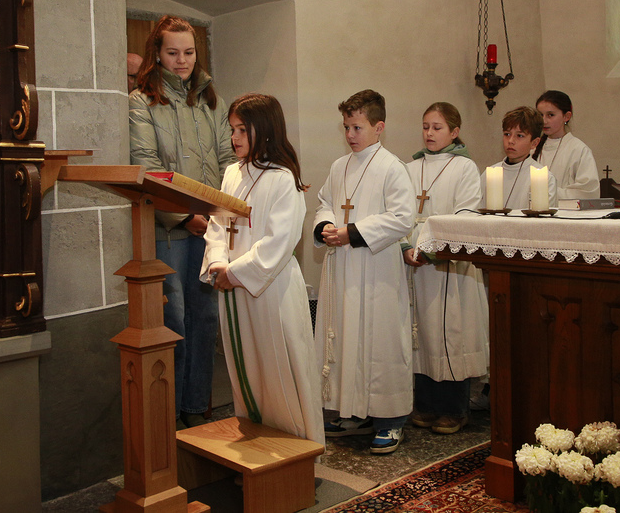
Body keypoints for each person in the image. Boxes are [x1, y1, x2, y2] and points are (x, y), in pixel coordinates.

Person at [129, 15, 236, 427]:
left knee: (205, 317)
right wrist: (184, 215)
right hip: (167, 228)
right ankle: (168, 414)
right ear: (157, 54)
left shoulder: (211, 101)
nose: (182, 60)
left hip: (210, 225)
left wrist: (220, 213)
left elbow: (227, 159)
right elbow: (146, 164)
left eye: (189, 52)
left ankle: (196, 409)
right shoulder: (141, 102)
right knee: (172, 318)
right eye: (173, 52)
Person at [200, 93, 325, 446]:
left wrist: (235, 272)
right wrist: (218, 263)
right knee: (246, 369)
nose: (234, 138)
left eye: (243, 130)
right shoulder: (232, 174)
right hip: (233, 286)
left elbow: (280, 241)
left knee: (279, 368)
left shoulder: (283, 179)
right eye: (232, 130)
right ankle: (256, 445)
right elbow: (217, 225)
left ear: (265, 129)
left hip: (271, 290)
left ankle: (296, 449)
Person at [314, 89, 416, 455]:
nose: (350, 134)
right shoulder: (339, 166)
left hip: (377, 271)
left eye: (357, 127)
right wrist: (326, 226)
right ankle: (353, 411)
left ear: (379, 127)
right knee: (344, 335)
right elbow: (325, 202)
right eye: (346, 127)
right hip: (342, 268)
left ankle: (390, 419)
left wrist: (352, 233)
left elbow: (403, 218)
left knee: (380, 341)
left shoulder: (392, 167)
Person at [402, 103, 488, 435]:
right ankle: (425, 404)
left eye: (437, 127)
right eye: (425, 126)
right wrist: (406, 247)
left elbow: (466, 215)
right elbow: (398, 211)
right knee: (421, 332)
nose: (429, 133)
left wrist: (433, 252)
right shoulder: (410, 168)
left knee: (451, 332)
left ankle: (454, 409)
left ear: (454, 132)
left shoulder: (464, 168)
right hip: (414, 260)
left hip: (448, 263)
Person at [481, 106, 558, 210]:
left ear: (534, 143)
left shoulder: (545, 179)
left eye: (520, 136)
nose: (511, 141)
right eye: (507, 134)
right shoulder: (489, 174)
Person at [533, 91, 600, 200]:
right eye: (540, 115)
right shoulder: (532, 147)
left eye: (550, 115)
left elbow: (588, 193)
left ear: (566, 116)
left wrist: (547, 191)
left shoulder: (579, 150)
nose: (544, 121)